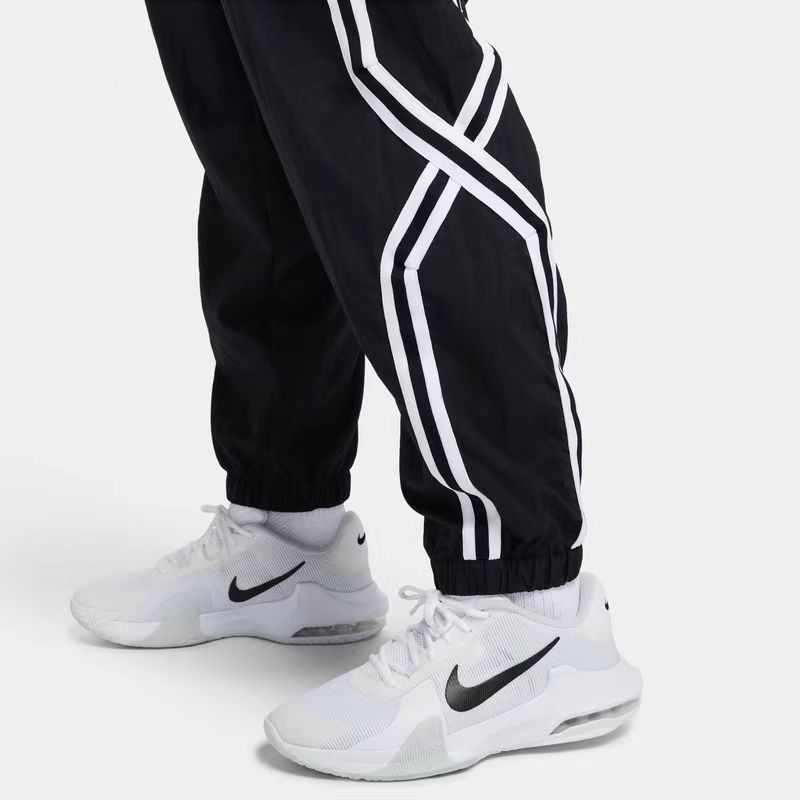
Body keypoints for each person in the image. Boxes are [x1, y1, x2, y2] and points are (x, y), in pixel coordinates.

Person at [72, 0, 641, 779]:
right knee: (252, 106)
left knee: (391, 81)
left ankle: (527, 608)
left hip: (524, 591)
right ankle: (289, 532)